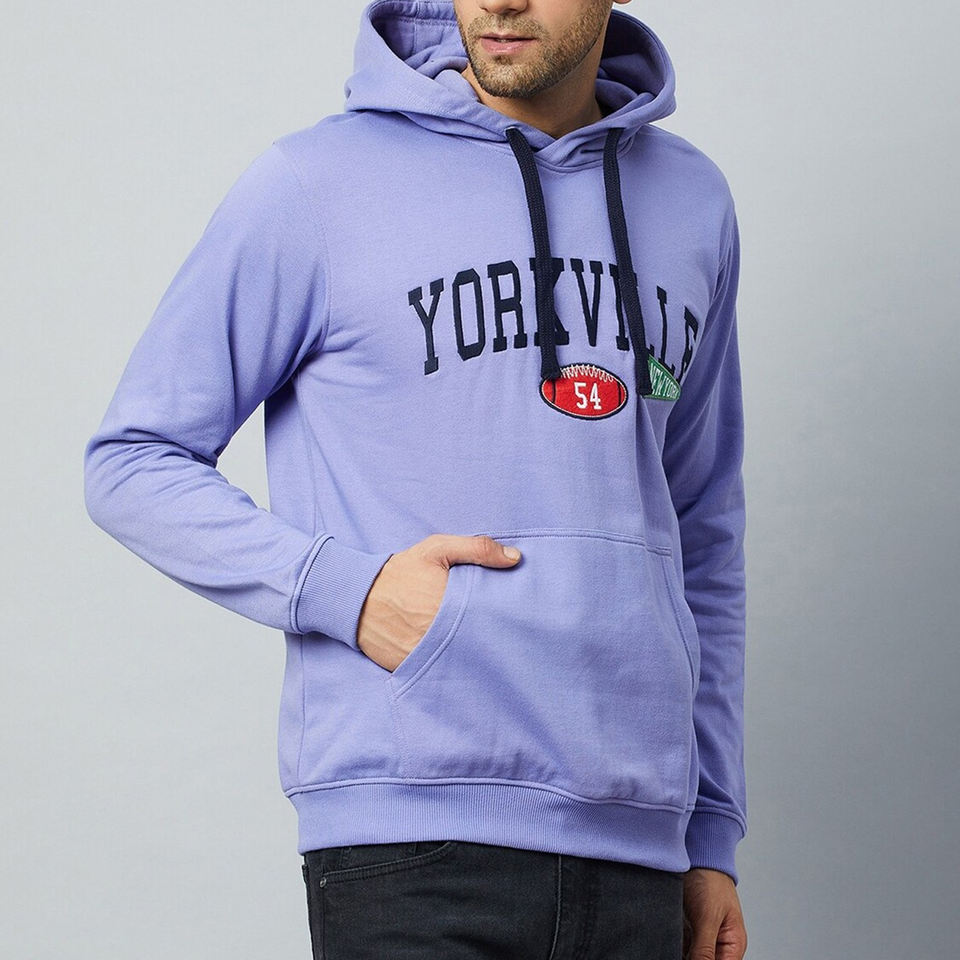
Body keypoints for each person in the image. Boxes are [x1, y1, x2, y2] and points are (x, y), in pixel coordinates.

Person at [83, 0, 749, 956]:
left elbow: (701, 530)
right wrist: (350, 594)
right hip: (410, 834)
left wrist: (711, 830)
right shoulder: (317, 183)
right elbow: (132, 459)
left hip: (639, 841)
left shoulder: (691, 200)